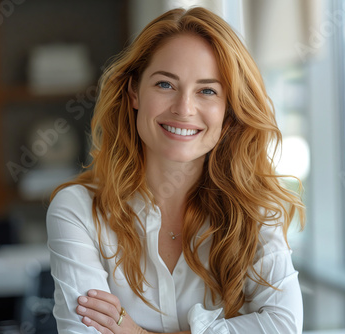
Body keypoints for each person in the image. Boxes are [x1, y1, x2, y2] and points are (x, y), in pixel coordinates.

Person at [47, 6, 305, 334]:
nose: (184, 108)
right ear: (134, 92)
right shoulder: (78, 210)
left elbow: (284, 326)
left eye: (207, 91)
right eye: (165, 85)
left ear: (229, 112)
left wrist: (137, 333)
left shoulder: (255, 210)